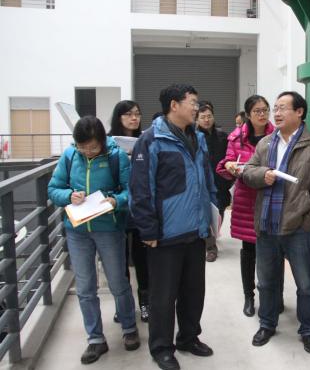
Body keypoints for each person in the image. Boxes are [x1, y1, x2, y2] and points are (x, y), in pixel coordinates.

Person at [129, 84, 217, 370]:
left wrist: (211, 216)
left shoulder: (198, 138)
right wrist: (148, 230)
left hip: (196, 230)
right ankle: (161, 348)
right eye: (192, 102)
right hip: (166, 234)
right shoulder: (151, 140)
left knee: (194, 292)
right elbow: (140, 189)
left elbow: (206, 181)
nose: (197, 108)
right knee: (163, 297)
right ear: (174, 105)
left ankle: (189, 338)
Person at [242, 91, 310, 354]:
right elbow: (248, 172)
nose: (277, 113)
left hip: (298, 228)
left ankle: (308, 330)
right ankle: (267, 324)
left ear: (299, 112)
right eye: (276, 108)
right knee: (266, 282)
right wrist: (263, 175)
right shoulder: (265, 143)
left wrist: (308, 221)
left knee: (306, 284)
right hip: (267, 225)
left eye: (282, 108)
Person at [48, 116, 140, 364]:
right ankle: (95, 339)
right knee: (85, 288)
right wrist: (69, 196)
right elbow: (53, 189)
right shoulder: (69, 156)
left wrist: (116, 201)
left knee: (118, 283)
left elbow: (131, 191)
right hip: (77, 231)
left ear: (102, 141)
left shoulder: (116, 157)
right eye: (82, 147)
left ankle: (129, 328)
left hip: (108, 229)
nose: (87, 152)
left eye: (92, 147)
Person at [216, 95, 284, 317]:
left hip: (272, 197)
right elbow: (227, 163)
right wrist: (230, 166)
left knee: (275, 252)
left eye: (265, 110)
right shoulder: (236, 138)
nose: (262, 115)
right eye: (257, 111)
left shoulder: (278, 135)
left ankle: (276, 296)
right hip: (247, 199)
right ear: (248, 114)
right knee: (249, 251)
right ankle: (249, 296)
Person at [108, 100, 149, 323]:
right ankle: (123, 307)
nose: (134, 118)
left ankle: (145, 303)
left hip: (141, 207)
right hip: (116, 208)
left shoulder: (145, 140)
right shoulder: (107, 143)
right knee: (119, 262)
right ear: (118, 117)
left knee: (143, 260)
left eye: (137, 114)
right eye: (128, 114)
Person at [196, 100, 233, 262]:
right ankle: (210, 246)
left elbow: (229, 156)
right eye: (202, 117)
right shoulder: (193, 137)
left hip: (220, 180)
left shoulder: (223, 137)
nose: (206, 120)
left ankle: (212, 237)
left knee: (219, 210)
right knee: (205, 212)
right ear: (197, 119)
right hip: (202, 181)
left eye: (209, 116)